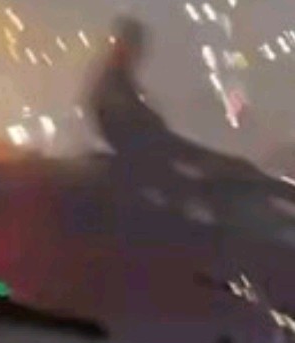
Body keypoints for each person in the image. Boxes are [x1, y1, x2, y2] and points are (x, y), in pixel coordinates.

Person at [88, 16, 256, 209]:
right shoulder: (114, 90)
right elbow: (149, 139)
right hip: (151, 165)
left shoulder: (115, 85)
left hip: (155, 160)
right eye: (135, 46)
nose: (139, 54)